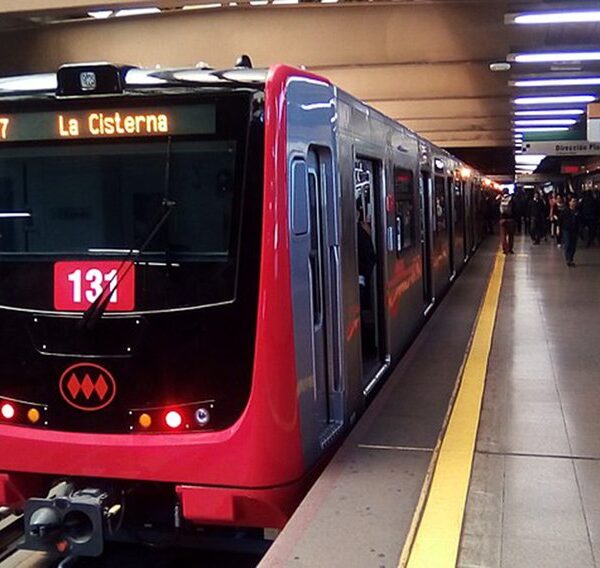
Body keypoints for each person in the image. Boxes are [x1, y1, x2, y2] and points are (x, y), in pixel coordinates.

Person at [559, 196, 580, 267]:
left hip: (575, 230)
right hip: (566, 229)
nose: (574, 203)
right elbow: (560, 220)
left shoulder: (577, 211)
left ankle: (571, 258)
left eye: (575, 202)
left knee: (573, 245)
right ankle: (568, 259)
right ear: (569, 202)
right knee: (568, 243)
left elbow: (580, 220)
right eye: (572, 201)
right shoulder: (565, 211)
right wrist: (558, 228)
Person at [498, 188, 515, 254]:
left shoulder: (500, 198)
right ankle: (510, 249)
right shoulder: (512, 199)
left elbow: (495, 207)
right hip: (510, 219)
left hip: (502, 219)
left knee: (503, 235)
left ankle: (505, 250)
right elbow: (516, 208)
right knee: (511, 235)